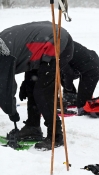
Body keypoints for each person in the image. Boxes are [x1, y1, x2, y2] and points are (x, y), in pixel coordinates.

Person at [0, 21, 74, 151]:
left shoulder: (3, 55)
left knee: (42, 93)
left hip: (57, 46)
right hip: (42, 47)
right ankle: (32, 127)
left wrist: (12, 113)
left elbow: (5, 89)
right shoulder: (3, 47)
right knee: (30, 86)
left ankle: (56, 136)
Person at [17, 41, 99, 142]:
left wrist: (68, 90)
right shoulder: (45, 48)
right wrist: (26, 84)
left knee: (83, 106)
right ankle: (72, 97)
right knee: (54, 73)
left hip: (92, 68)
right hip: (75, 65)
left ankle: (74, 97)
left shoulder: (58, 51)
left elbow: (68, 74)